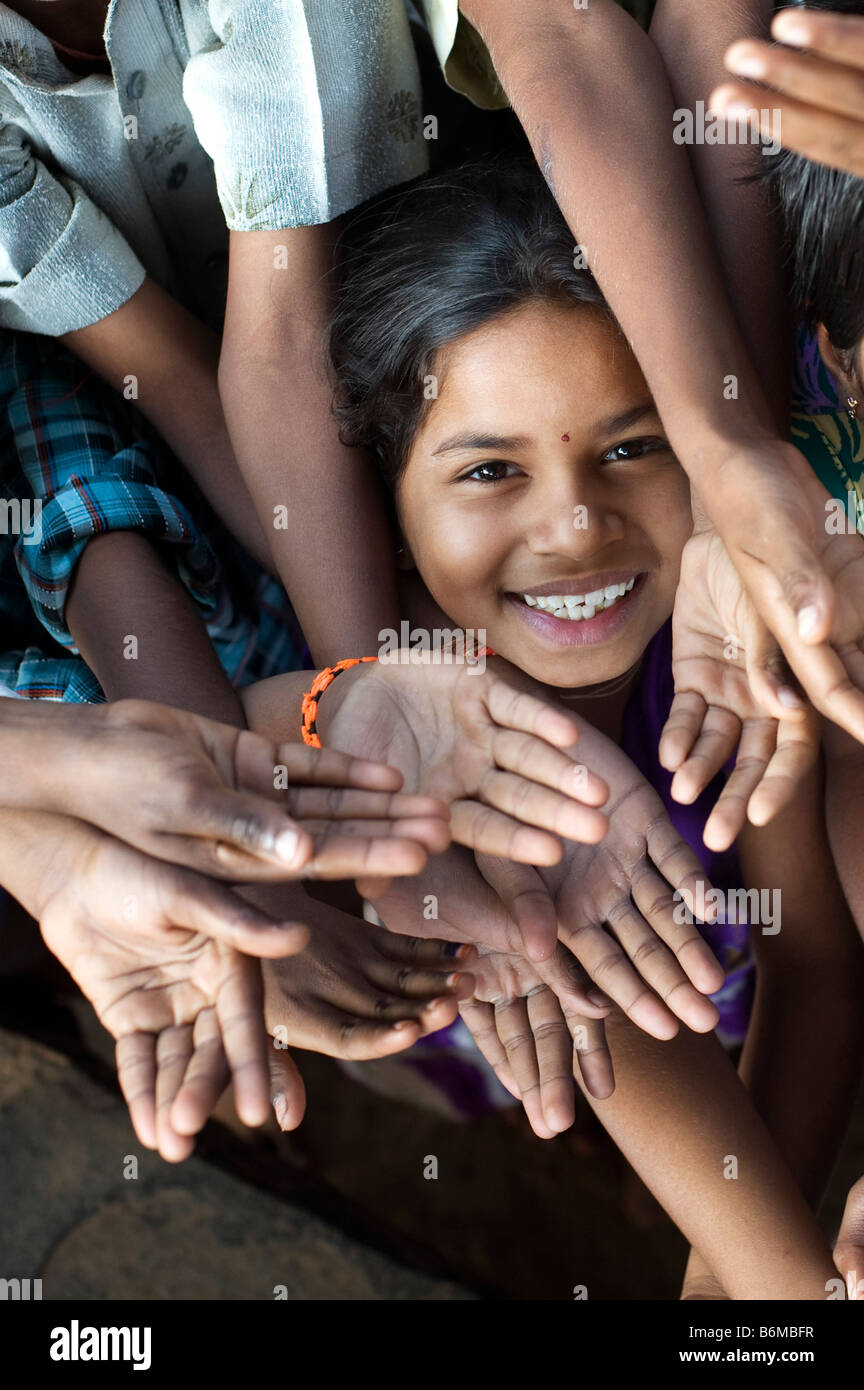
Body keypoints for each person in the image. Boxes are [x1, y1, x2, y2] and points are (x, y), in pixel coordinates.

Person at [266, 158, 859, 1297]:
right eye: (491, 470)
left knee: (670, 1089)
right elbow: (580, 978)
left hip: (713, 992)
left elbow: (819, 963)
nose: (577, 525)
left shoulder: (734, 655)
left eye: (633, 448)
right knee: (526, 1073)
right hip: (469, 1023)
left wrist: (737, 1272)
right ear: (382, 511)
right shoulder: (398, 714)